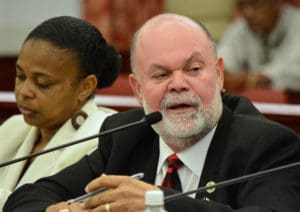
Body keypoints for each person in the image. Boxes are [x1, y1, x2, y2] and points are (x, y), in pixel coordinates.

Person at [4, 13, 300, 212]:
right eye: (160, 76)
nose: (179, 85)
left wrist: (155, 203)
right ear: (137, 90)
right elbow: (26, 198)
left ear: (219, 75)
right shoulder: (125, 136)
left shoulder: (269, 146)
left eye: (194, 69)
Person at [0, 16, 121, 209]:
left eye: (43, 84)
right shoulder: (13, 126)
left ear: (85, 87)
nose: (23, 91)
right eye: (20, 76)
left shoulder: (104, 137)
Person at [217, 0, 300, 91]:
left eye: (256, 5)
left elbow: (293, 74)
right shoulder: (242, 27)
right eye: (241, 6)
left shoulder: (296, 24)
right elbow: (219, 69)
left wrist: (253, 79)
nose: (248, 14)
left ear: (277, 2)